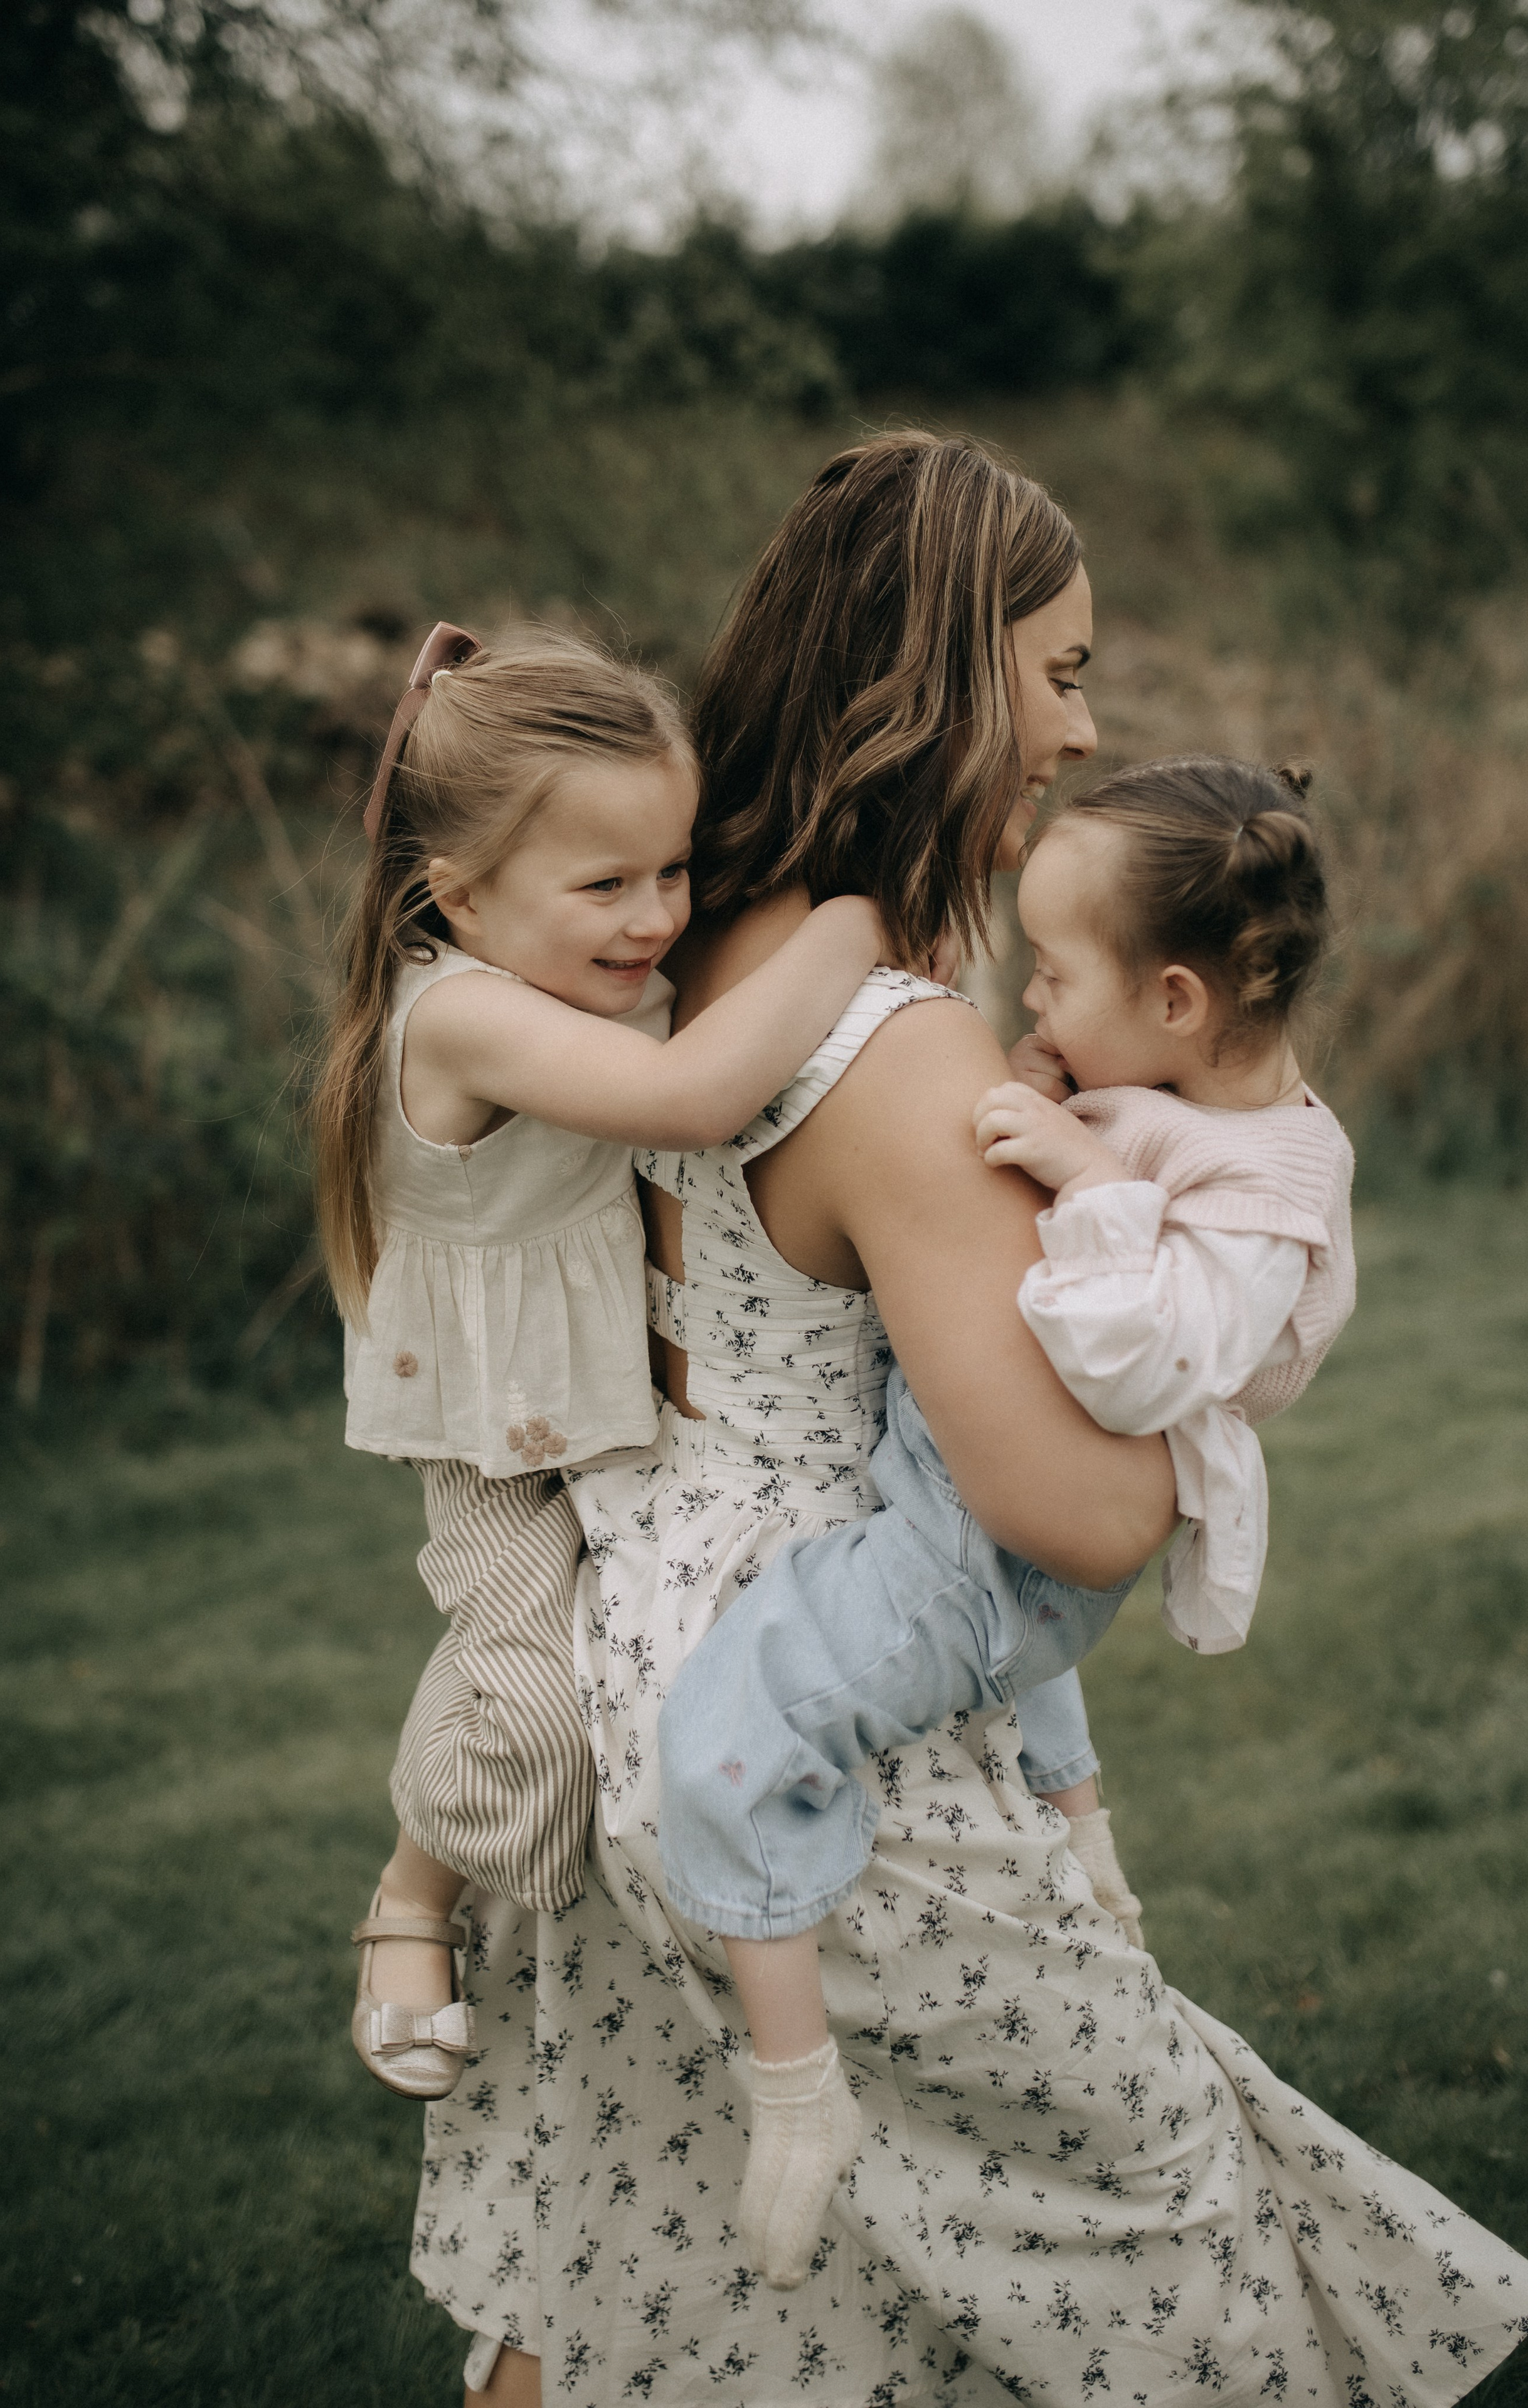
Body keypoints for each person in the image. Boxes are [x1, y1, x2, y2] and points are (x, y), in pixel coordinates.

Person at [410, 433, 1528, 2408]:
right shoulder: (895, 1044)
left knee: (652, 2256)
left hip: (641, 1657)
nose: (1084, 734)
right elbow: (1077, 1515)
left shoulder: (691, 940)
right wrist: (1217, 1363)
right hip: (816, 1716)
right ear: (943, 669)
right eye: (1062, 671)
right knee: (1159, 2230)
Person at [657, 755, 1357, 2285]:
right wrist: (1077, 1118)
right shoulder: (1179, 1090)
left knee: (728, 1715)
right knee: (996, 1646)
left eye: (1048, 975)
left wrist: (1087, 1176)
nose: (1024, 1004)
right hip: (973, 1512)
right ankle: (1086, 1842)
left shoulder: (1262, 1193)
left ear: (1174, 1002)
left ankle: (793, 2095)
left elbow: (1142, 1359)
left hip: (998, 1551)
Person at [311, 620, 892, 2097]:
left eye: (673, 872)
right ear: (459, 896)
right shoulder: (458, 1013)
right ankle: (408, 1907)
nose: (653, 918)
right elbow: (691, 1095)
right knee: (530, 1684)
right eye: (606, 884)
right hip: (494, 1427)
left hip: (604, 1404)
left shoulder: (566, 967)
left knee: (605, 1668)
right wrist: (849, 928)